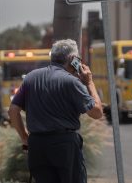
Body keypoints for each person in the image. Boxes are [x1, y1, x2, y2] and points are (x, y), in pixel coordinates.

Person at [9, 39, 103, 183]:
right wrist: (89, 82)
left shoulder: (31, 78)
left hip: (37, 145)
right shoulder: (71, 82)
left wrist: (25, 138)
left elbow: (13, 110)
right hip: (64, 145)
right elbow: (96, 113)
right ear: (72, 59)